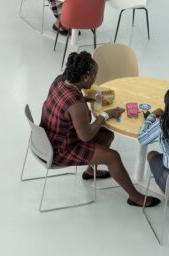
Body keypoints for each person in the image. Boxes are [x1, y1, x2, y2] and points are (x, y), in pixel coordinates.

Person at [40, 51, 160, 208]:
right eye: (95, 75)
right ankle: (135, 197)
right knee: (113, 157)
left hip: (48, 138)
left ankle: (90, 171)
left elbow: (66, 103)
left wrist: (87, 98)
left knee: (106, 135)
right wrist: (104, 115)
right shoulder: (76, 105)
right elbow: (86, 136)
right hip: (59, 150)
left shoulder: (60, 81)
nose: (96, 79)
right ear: (85, 77)